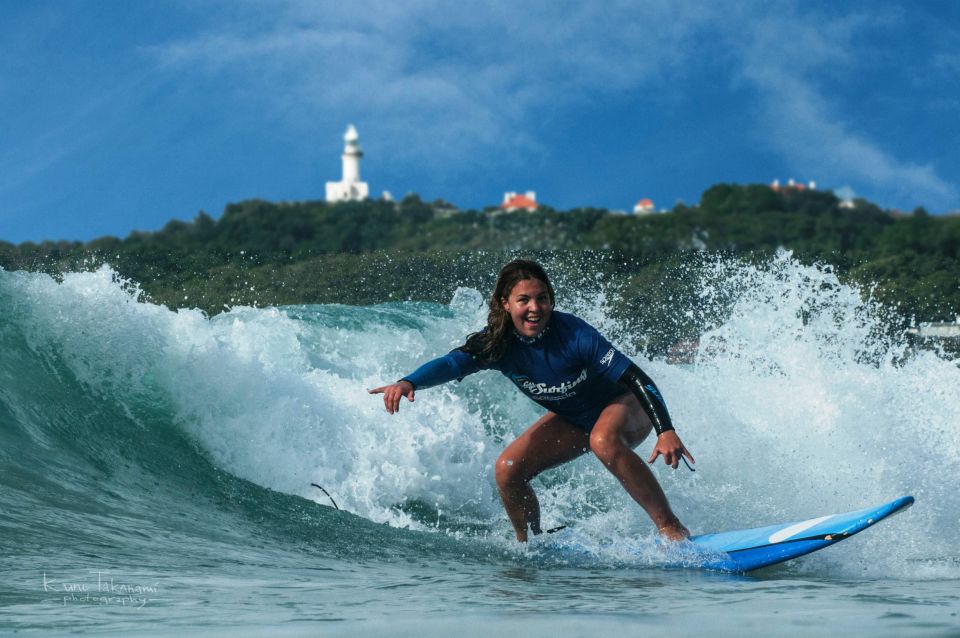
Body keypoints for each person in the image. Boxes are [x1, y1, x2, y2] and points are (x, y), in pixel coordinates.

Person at [370, 259, 694, 542]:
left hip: (625, 405)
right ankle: (531, 544)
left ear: (552, 301)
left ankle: (671, 528)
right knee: (508, 470)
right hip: (576, 418)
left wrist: (665, 429)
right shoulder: (497, 345)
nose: (534, 308)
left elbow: (638, 379)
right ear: (506, 303)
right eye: (523, 300)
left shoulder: (574, 335)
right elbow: (452, 364)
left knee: (603, 440)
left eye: (542, 299)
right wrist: (408, 381)